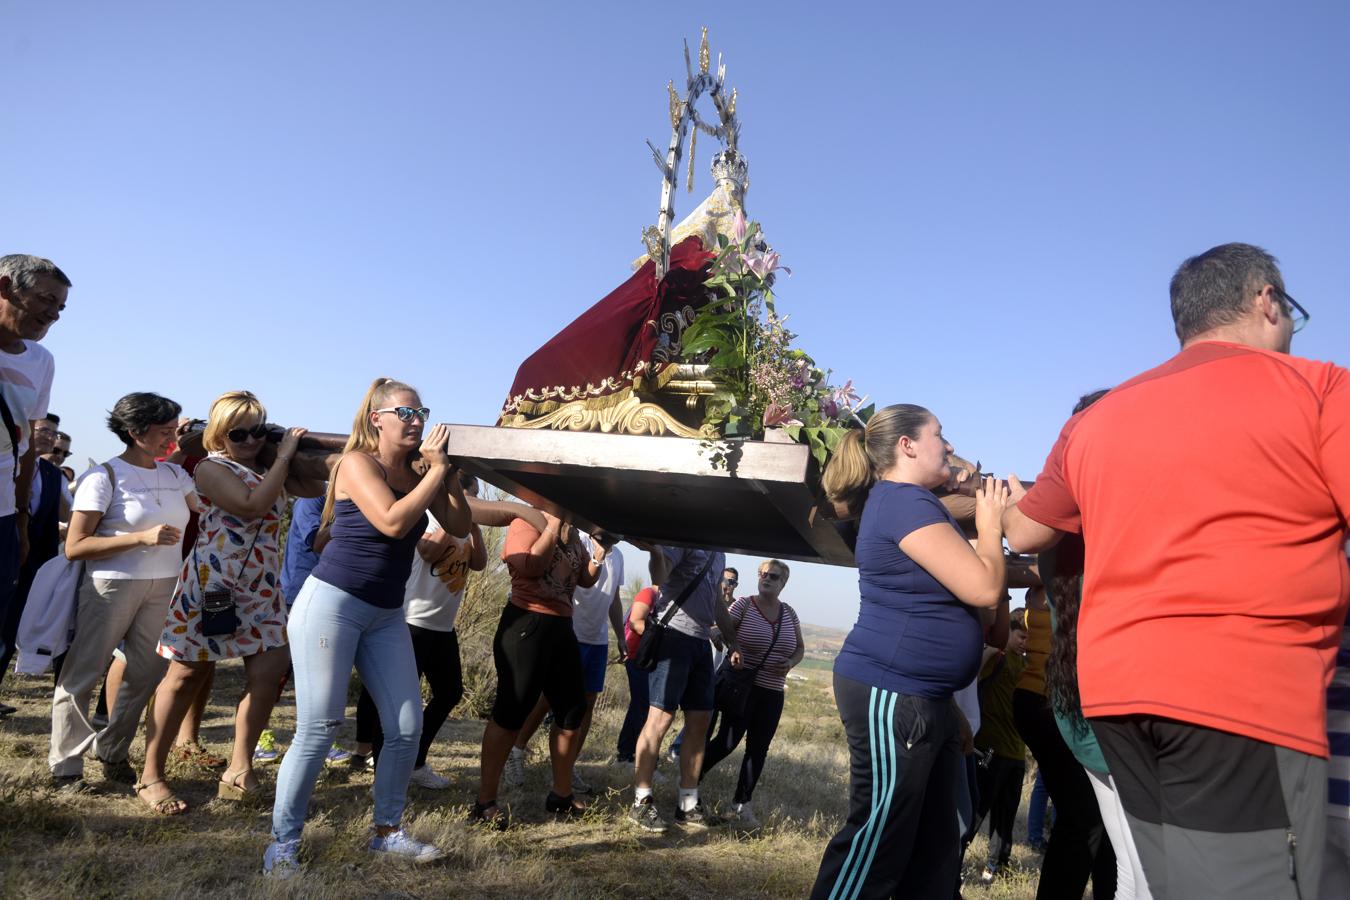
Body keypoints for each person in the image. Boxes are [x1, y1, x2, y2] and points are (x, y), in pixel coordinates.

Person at [1004, 243, 1350, 899]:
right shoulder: (1322, 389)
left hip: (1114, 699)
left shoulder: (1098, 417)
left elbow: (1024, 529)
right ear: (1266, 300)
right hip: (1240, 696)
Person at [266, 378, 469, 875]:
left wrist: (450, 476)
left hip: (385, 613)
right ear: (377, 418)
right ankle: (283, 845)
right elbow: (394, 522)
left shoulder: (424, 471)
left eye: (422, 410)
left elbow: (460, 528)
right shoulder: (357, 463)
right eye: (406, 411)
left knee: (404, 727)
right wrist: (435, 472)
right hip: (331, 603)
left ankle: (387, 832)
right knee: (318, 728)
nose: (417, 419)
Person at [809, 404, 1009, 900]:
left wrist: (946, 712)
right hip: (892, 690)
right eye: (939, 434)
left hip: (925, 699)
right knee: (877, 842)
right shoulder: (902, 503)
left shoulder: (913, 504)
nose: (947, 444)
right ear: (907, 445)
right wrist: (991, 523)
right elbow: (984, 588)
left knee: (936, 846)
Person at [140, 391, 319, 812]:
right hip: (214, 587)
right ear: (220, 435)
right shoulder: (209, 468)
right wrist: (282, 456)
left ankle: (239, 770)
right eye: (240, 433)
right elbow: (251, 505)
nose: (251, 440)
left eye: (259, 430)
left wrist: (283, 450)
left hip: (262, 588)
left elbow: (315, 485)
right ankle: (150, 775)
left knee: (268, 674)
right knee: (185, 675)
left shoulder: (271, 465)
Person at [47, 393, 196, 801]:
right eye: (165, 432)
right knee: (83, 672)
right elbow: (76, 546)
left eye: (174, 429)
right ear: (135, 432)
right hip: (110, 585)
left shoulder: (176, 475)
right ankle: (66, 766)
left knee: (146, 674)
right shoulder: (104, 478)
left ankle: (112, 751)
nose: (172, 438)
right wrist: (139, 538)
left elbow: (210, 508)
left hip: (164, 585)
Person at [354, 470, 487, 788]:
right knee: (397, 701)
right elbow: (427, 551)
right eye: (473, 496)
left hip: (443, 627)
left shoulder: (466, 528)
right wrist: (450, 521)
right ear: (457, 494)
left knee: (450, 691)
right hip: (412, 622)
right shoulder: (430, 517)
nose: (477, 503)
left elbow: (479, 563)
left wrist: (475, 528)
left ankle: (415, 762)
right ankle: (382, 770)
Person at [472, 506, 600, 826]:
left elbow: (584, 579)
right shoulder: (526, 520)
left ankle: (561, 796)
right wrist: (551, 527)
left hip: (562, 628)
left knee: (572, 711)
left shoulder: (573, 533)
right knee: (511, 711)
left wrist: (600, 553)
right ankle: (484, 802)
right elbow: (528, 565)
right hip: (526, 623)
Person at [628, 545, 743, 833]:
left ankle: (688, 805)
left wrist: (733, 641)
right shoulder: (684, 539)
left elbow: (717, 602)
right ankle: (641, 802)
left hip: (700, 643)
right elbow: (659, 576)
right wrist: (655, 551)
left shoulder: (720, 553)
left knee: (701, 722)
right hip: (673, 637)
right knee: (660, 719)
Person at [504, 529, 625, 793]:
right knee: (547, 698)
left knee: (586, 704)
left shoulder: (619, 556)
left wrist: (621, 636)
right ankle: (515, 752)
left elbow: (613, 598)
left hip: (598, 638)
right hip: (569, 631)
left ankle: (566, 768)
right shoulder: (577, 542)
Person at [699, 558, 804, 827]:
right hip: (742, 687)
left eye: (774, 576)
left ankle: (741, 803)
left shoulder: (789, 614)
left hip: (772, 692)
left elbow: (799, 649)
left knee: (758, 749)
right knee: (727, 741)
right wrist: (731, 647)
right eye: (763, 574)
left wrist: (790, 663)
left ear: (784, 583)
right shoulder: (744, 604)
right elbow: (718, 630)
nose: (766, 578)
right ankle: (690, 781)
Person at [0, 255, 66, 662]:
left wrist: (21, 522)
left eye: (60, 307)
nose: (53, 314)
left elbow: (24, 449)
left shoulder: (42, 361)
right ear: (5, 287)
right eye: (46, 300)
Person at [0, 416, 69, 710]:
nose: (48, 437)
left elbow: (69, 511)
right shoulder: (8, 466)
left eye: (53, 433)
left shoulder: (54, 476)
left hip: (33, 562)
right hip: (5, 551)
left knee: (9, 626)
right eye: (43, 430)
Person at [973, 612, 1029, 882]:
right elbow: (971, 677)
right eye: (1020, 636)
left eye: (1029, 638)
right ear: (1008, 633)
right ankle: (951, 857)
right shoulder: (997, 659)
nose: (1024, 642)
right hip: (991, 749)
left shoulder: (1027, 666)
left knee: (1005, 817)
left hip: (1017, 753)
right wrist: (993, 648)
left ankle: (997, 867)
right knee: (977, 809)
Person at [616, 585, 658, 765]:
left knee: (641, 705)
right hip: (637, 656)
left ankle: (627, 753)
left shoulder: (667, 596)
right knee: (642, 705)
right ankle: (629, 755)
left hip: (650, 658)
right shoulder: (649, 593)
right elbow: (634, 622)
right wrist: (663, 635)